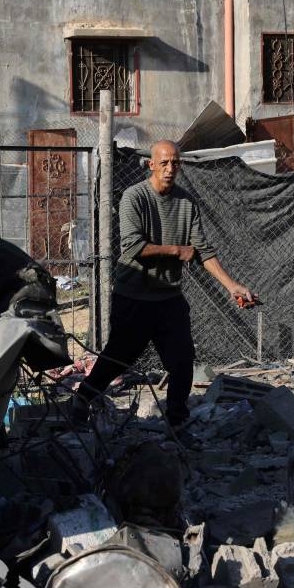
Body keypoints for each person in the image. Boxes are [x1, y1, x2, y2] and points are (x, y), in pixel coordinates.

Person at [74, 140, 254, 428]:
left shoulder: (186, 202)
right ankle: (82, 398)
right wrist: (175, 250)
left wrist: (232, 285)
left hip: (168, 298)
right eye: (164, 163)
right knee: (118, 357)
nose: (170, 169)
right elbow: (132, 247)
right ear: (152, 165)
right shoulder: (135, 197)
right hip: (133, 297)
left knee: (182, 361)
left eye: (175, 163)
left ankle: (177, 422)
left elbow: (202, 250)